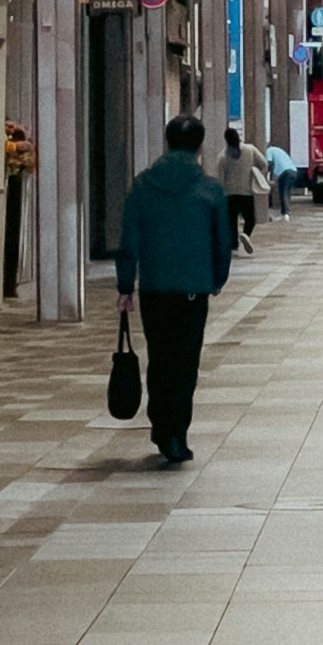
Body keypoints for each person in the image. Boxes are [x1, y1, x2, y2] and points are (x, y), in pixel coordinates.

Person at [117, 110, 234, 465]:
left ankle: (160, 423)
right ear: (200, 147)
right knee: (185, 362)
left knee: (160, 357)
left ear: (167, 143)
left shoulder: (143, 185)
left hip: (154, 289)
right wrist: (216, 280)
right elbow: (222, 242)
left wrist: (126, 286)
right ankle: (176, 434)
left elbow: (129, 238)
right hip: (193, 290)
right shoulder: (210, 190)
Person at [221, 122, 275, 243]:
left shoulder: (223, 156)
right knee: (250, 219)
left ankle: (234, 244)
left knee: (232, 221)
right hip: (246, 192)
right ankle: (246, 235)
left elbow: (220, 177)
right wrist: (255, 173)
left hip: (229, 194)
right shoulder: (250, 150)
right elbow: (264, 163)